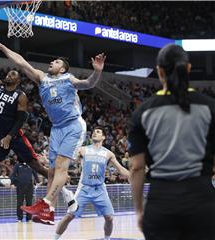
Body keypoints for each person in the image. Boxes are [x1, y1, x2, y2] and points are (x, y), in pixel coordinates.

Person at [0, 30, 106, 224]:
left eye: (57, 62)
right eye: (53, 61)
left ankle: (46, 202)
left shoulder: (69, 79)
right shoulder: (41, 78)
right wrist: (0, 46)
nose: (52, 62)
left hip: (73, 125)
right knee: (51, 171)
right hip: (56, 128)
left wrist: (97, 71)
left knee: (60, 166)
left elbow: (87, 83)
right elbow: (20, 61)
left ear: (63, 69)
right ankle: (49, 213)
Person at [0, 21, 74, 225]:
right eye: (8, 73)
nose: (9, 74)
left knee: (39, 168)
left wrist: (10, 136)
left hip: (15, 137)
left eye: (13, 74)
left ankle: (66, 193)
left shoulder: (20, 95)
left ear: (17, 80)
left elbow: (22, 119)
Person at [128, 44, 215, 240]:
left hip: (161, 206)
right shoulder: (209, 107)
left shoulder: (143, 112)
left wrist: (140, 210)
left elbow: (136, 168)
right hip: (202, 204)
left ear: (159, 71)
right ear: (189, 69)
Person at [54, 127, 130, 240]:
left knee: (109, 218)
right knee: (69, 216)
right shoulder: (83, 150)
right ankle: (55, 238)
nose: (95, 133)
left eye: (98, 132)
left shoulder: (108, 154)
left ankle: (107, 239)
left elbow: (121, 169)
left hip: (100, 190)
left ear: (103, 137)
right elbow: (68, 159)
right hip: (84, 188)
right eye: (94, 131)